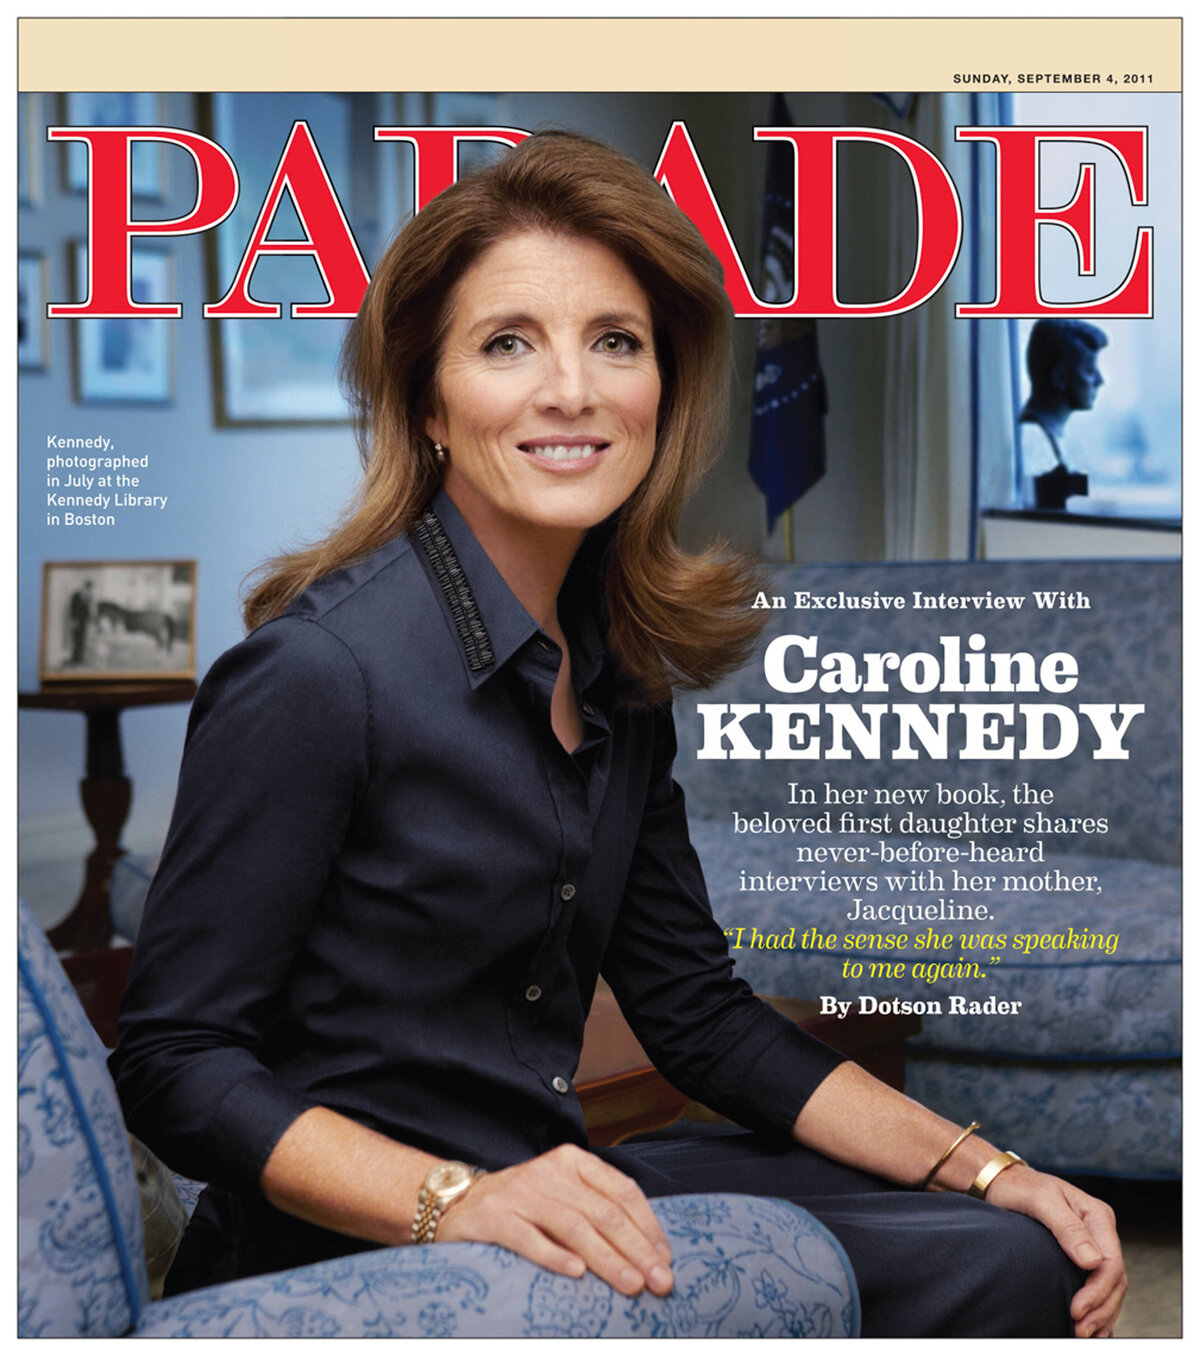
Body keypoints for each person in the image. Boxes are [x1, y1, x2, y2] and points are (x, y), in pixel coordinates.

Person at [111, 131, 1125, 1338]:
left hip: (557, 1185)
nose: (573, 392)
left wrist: (995, 1167)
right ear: (429, 400)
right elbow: (174, 1062)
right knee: (1007, 1282)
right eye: (506, 344)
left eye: (615, 342)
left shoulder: (616, 673)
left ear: (665, 390)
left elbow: (695, 1013)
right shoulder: (317, 675)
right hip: (357, 1250)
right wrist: (456, 1201)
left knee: (1013, 1236)